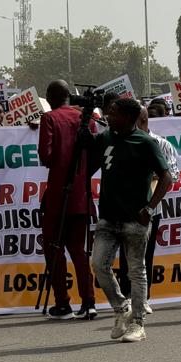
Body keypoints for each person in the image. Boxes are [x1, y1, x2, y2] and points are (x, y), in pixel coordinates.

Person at [84, 96, 173, 343]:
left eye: (113, 113)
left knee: (136, 271)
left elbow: (166, 177)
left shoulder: (145, 142)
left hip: (135, 219)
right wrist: (83, 120)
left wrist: (150, 208)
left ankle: (138, 324)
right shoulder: (106, 137)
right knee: (98, 265)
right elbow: (86, 146)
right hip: (107, 218)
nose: (108, 116)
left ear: (127, 117)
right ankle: (122, 308)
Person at [37, 80, 98, 320]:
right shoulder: (87, 119)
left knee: (54, 249)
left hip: (58, 195)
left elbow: (46, 156)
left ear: (51, 97)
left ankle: (63, 303)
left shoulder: (49, 118)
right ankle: (89, 301)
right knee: (79, 250)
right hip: (81, 195)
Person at [118, 107, 180, 312]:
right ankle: (127, 297)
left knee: (146, 254)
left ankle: (144, 298)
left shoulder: (161, 144)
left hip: (151, 208)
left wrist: (151, 174)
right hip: (126, 208)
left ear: (143, 120)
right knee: (126, 255)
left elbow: (173, 174)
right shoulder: (123, 141)